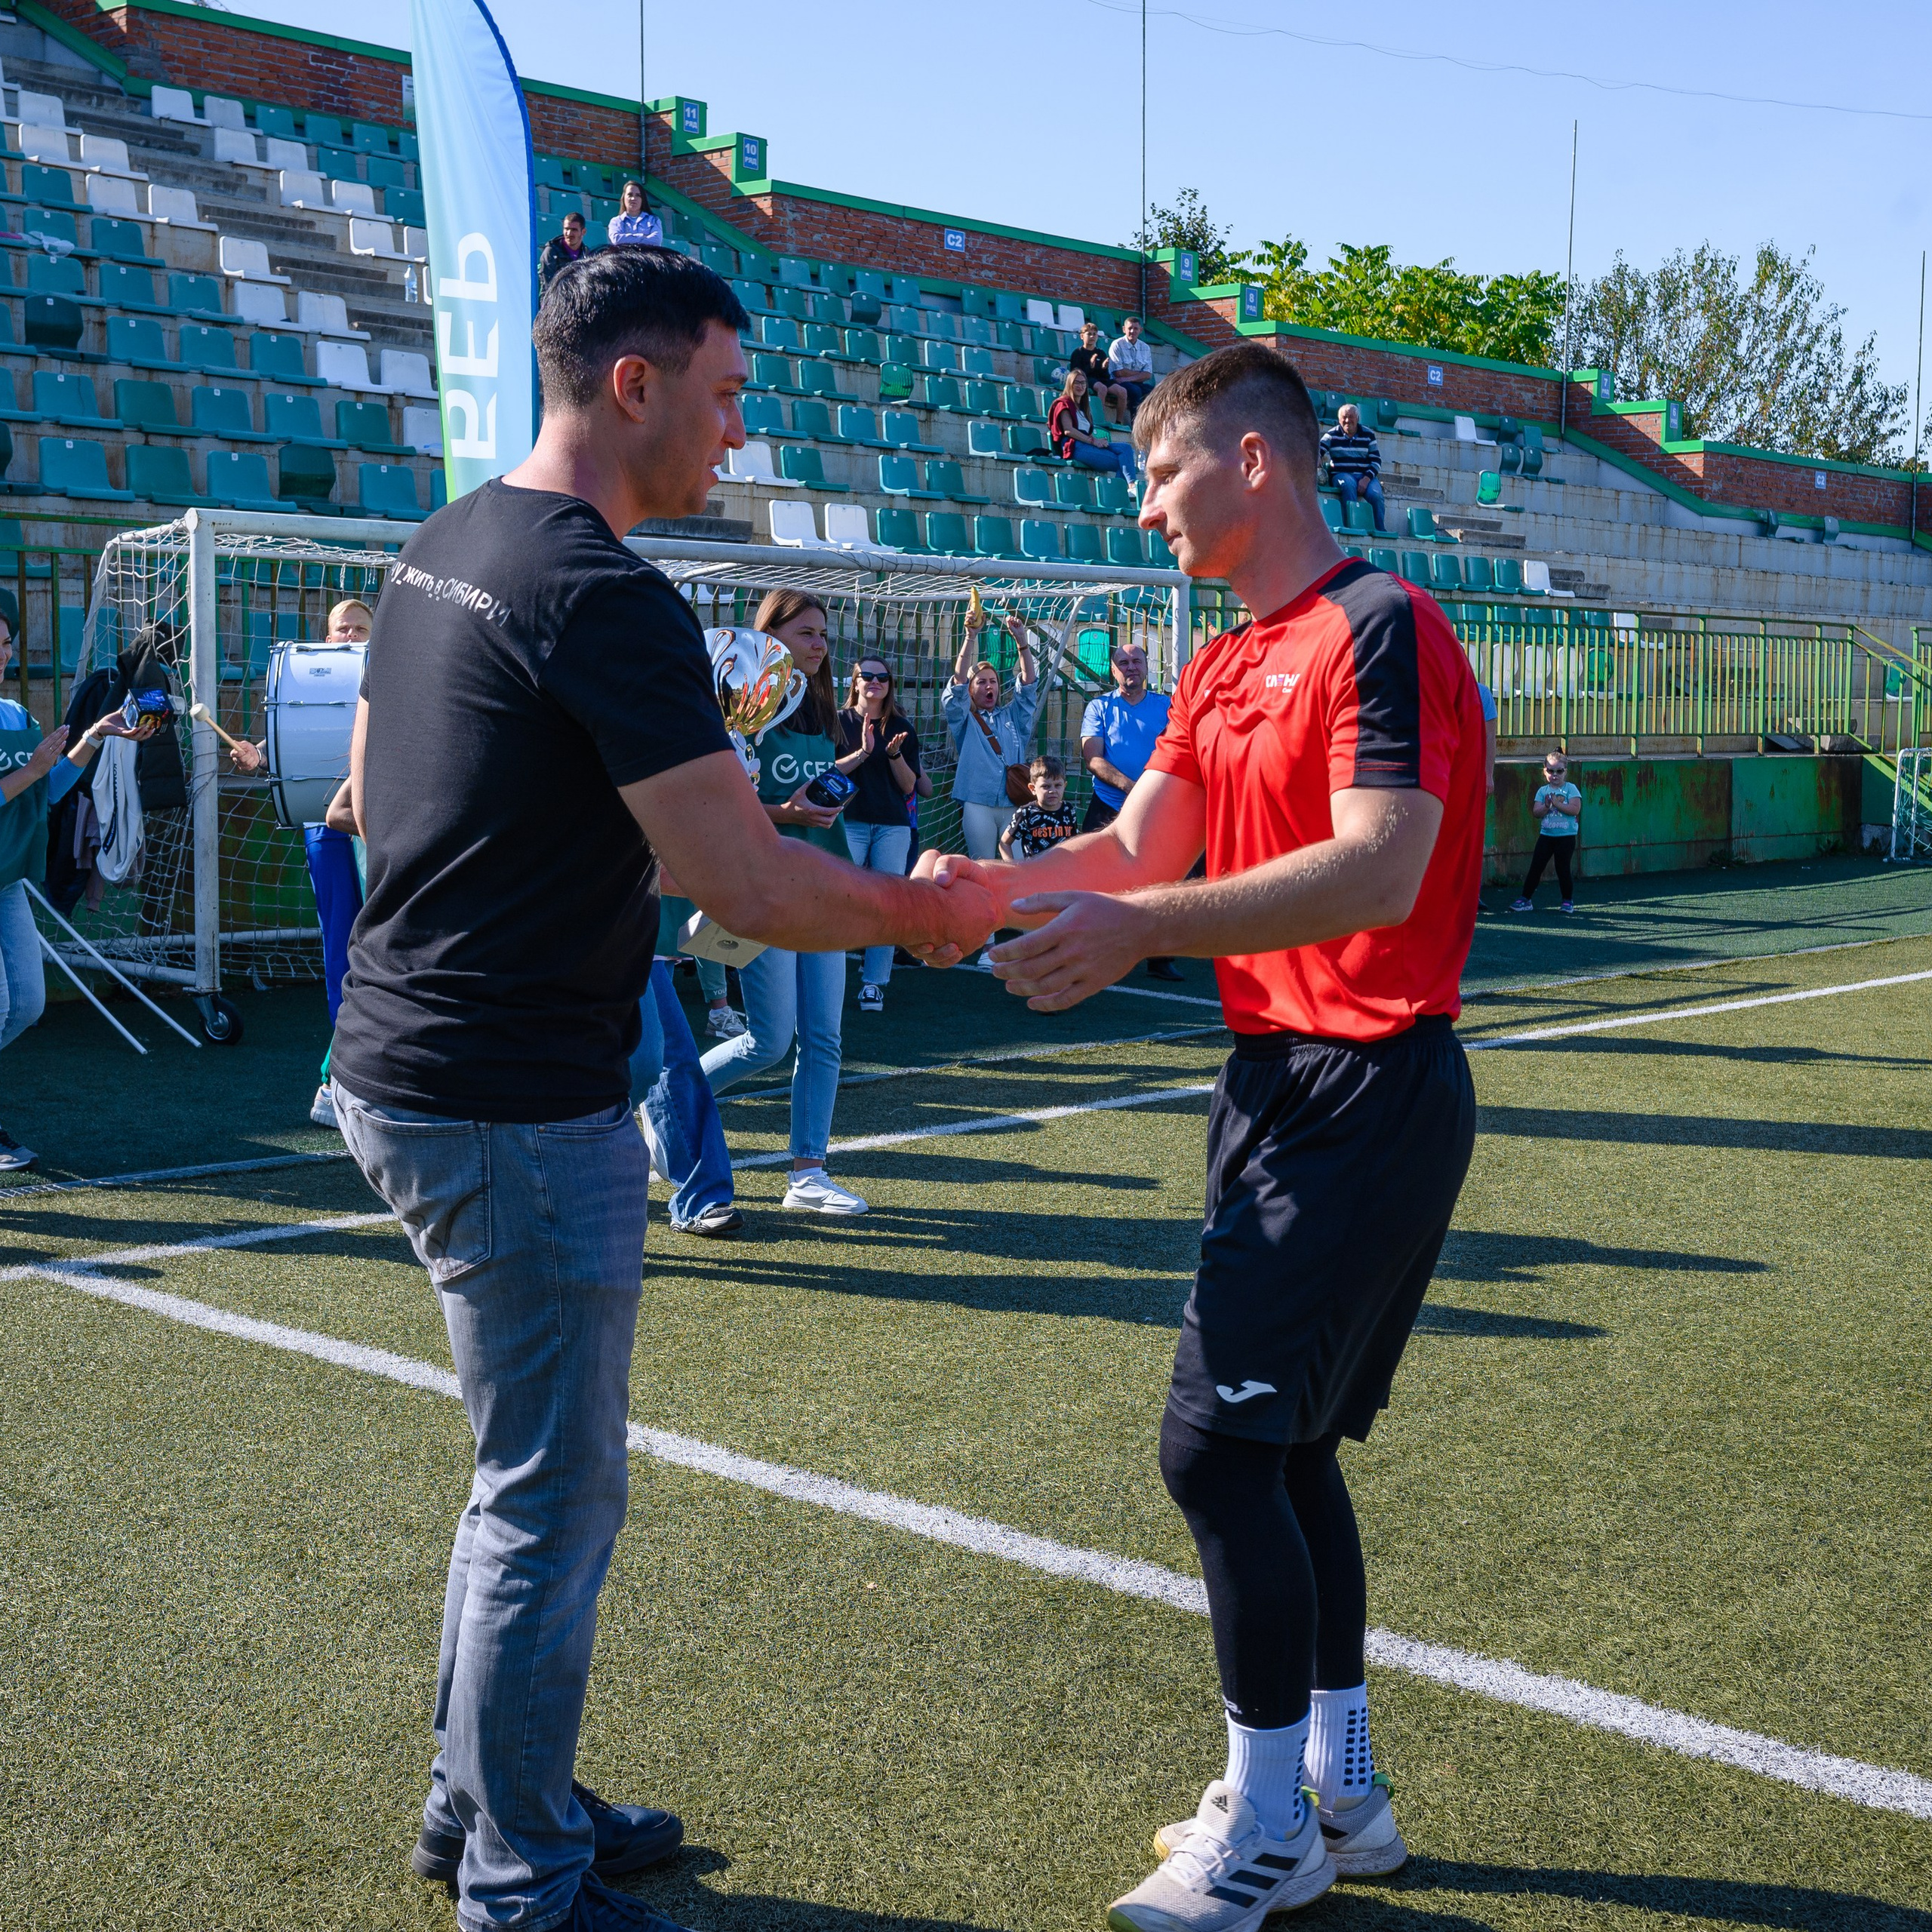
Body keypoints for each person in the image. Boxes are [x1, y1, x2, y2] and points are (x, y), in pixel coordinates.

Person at [328, 247, 992, 1932]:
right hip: (507, 1090)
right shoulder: (597, 590)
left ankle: (486, 1796)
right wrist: (927, 910)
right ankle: (521, 1876)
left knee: (515, 1476)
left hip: (406, 1061)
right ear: (632, 384)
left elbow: (366, 791)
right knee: (549, 1494)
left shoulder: (448, 544)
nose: (737, 433)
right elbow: (751, 889)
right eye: (721, 394)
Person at [916, 342, 1484, 1927]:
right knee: (1280, 1449)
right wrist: (932, 901)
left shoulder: (1382, 627)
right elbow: (1125, 845)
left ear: (1252, 464)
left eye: (1158, 473)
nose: (1140, 501)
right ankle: (1340, 1792)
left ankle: (1269, 1828)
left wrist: (1136, 930)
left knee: (1213, 1446)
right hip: (1270, 1088)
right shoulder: (1226, 662)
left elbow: (1377, 866)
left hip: (1368, 1087)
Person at [698, 586, 869, 1215]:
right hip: (760, 886)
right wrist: (787, 810)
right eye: (806, 634)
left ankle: (809, 1172)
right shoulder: (736, 702)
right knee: (768, 1041)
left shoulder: (824, 709)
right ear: (770, 636)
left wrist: (832, 789)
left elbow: (806, 798)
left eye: (823, 634)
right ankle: (671, 1103)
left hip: (819, 885)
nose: (819, 645)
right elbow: (724, 803)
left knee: (824, 1037)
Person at [0, 611, 155, 1170]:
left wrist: (92, 737)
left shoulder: (13, 713)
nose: (0, 653)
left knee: (27, 1004)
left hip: (8, 880)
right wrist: (31, 771)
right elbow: (26, 782)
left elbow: (49, 792)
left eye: (4, 644)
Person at [227, 598, 375, 1129]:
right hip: (330, 831)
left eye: (361, 628)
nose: (351, 636)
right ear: (326, 636)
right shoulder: (311, 683)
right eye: (343, 629)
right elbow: (298, 737)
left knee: (384, 949)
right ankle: (334, 1082)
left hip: (381, 830)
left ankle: (360, 1078)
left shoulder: (387, 674)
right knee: (344, 949)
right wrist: (260, 757)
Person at [628, 912, 740, 1236]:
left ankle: (701, 1197)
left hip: (651, 932)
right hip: (601, 923)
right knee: (654, 1056)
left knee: (670, 1056)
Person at [1079, 638, 1180, 979]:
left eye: (1137, 660)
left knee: (1162, 879)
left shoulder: (1168, 706)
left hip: (1157, 806)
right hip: (1108, 805)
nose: (1131, 667)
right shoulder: (1098, 708)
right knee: (1095, 878)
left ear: (1147, 666)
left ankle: (1160, 955)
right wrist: (1131, 788)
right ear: (1113, 670)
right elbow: (1092, 757)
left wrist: (1151, 790)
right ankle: (1091, 947)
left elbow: (1181, 752)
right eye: (1123, 662)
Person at [838, 651, 928, 1014]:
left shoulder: (902, 727)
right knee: (840, 898)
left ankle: (874, 984)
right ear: (855, 682)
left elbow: (910, 787)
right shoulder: (838, 721)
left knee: (888, 903)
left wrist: (893, 756)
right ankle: (825, 976)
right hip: (850, 822)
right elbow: (828, 772)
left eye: (883, 677)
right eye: (868, 676)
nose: (875, 682)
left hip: (892, 826)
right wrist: (863, 752)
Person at [941, 608, 1039, 861]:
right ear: (971, 690)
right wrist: (970, 636)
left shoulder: (1013, 716)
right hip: (977, 802)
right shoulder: (964, 719)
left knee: (1016, 866)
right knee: (982, 863)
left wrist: (1022, 643)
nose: (988, 686)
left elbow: (1028, 685)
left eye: (993, 681)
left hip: (1013, 802)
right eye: (981, 682)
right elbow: (958, 683)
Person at [1511, 749, 1580, 912]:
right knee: (1536, 867)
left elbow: (1575, 809)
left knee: (1562, 868)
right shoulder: (1543, 791)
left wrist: (1557, 804)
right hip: (1546, 836)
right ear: (1545, 771)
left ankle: (1567, 901)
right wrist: (1547, 806)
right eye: (1550, 771)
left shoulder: (1571, 789)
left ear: (1565, 772)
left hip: (1566, 837)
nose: (1554, 775)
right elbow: (1536, 812)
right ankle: (1525, 899)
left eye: (1559, 771)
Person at [1049, 368, 1137, 482]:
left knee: (1126, 449)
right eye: (1077, 382)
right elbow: (1068, 430)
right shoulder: (1063, 403)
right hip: (1074, 447)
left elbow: (1088, 433)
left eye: (1083, 383)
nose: (1080, 386)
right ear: (1070, 384)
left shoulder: (1084, 407)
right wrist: (1093, 441)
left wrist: (1098, 441)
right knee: (1121, 462)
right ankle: (1128, 488)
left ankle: (1131, 486)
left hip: (1087, 444)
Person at [998, 753, 1078, 860]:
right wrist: (1012, 867)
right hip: (1035, 872)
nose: (1052, 791)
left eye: (1058, 785)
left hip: (1064, 870)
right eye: (1046, 786)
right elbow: (1004, 843)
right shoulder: (1026, 813)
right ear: (1033, 788)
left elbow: (1075, 841)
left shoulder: (1069, 810)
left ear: (1065, 785)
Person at [1320, 401, 1384, 533]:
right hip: (1342, 474)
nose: (1348, 420)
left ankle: (1380, 530)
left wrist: (1366, 479)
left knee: (1376, 495)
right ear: (1339, 420)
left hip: (1365, 475)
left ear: (1358, 418)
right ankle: (1351, 526)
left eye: (1351, 417)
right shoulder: (1331, 434)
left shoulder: (1368, 434)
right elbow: (1318, 450)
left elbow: (1376, 461)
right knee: (1348, 485)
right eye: (1344, 417)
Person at [1072, 319, 1129, 426]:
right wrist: (1091, 366)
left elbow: (1105, 376)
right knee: (1102, 388)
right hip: (1086, 379)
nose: (1092, 337)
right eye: (1089, 334)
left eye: (1094, 334)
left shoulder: (1101, 353)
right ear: (1082, 336)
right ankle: (1100, 419)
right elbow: (1076, 374)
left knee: (1123, 391)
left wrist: (1104, 368)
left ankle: (1119, 422)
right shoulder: (1078, 353)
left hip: (1101, 380)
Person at [1108, 314, 1155, 415]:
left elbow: (1148, 375)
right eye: (1130, 328)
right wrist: (1139, 374)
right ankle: (1135, 425)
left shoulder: (1145, 348)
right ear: (1124, 329)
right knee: (1136, 391)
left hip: (1131, 382)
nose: (1133, 331)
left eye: (1136, 328)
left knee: (1155, 393)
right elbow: (1119, 373)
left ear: (1141, 330)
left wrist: (1127, 378)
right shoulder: (1117, 345)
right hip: (1118, 382)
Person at [540, 210, 589, 293]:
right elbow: (547, 287)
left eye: (574, 230)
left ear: (583, 232)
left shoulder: (587, 254)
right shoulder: (551, 251)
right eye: (566, 229)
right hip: (556, 300)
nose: (569, 233)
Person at [607, 180, 663, 249]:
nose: (633, 198)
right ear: (624, 198)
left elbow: (656, 241)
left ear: (643, 199)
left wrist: (628, 239)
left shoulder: (654, 220)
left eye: (638, 195)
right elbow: (617, 240)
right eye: (630, 195)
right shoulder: (615, 222)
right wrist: (643, 236)